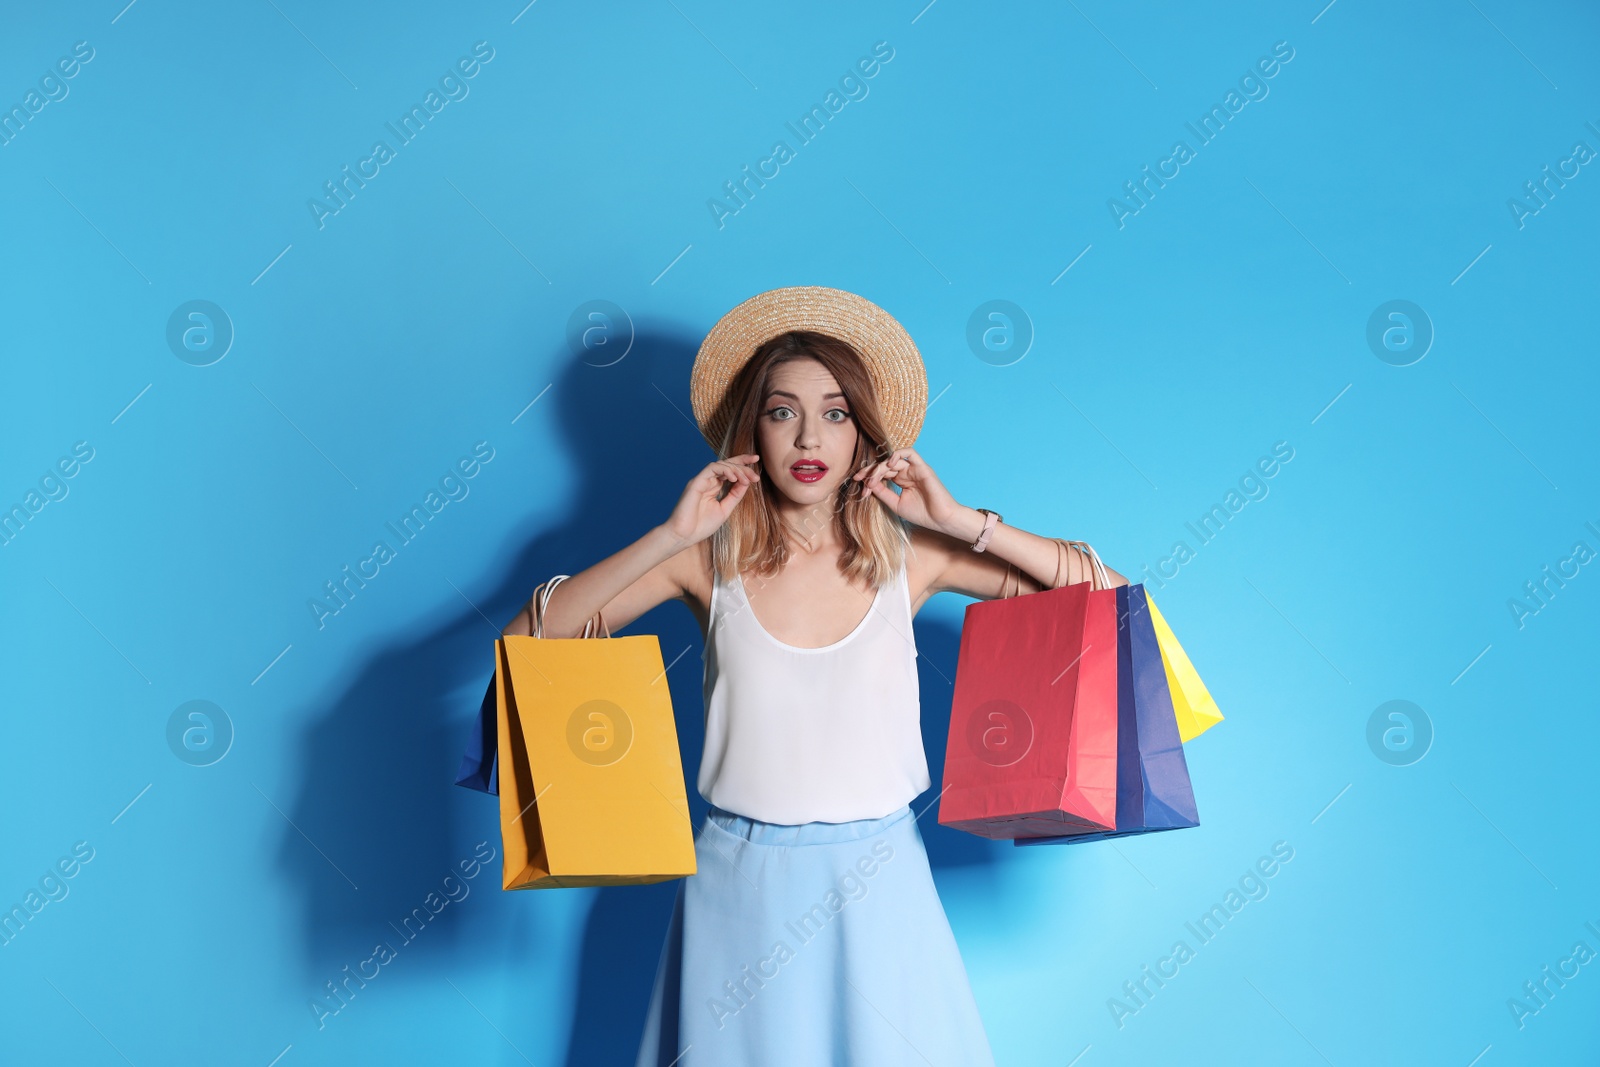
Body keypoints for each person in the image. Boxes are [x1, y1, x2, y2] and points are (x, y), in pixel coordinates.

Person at [501, 286, 1127, 1066]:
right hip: (738, 885)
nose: (808, 435)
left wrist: (964, 521)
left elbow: (1104, 600)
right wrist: (669, 533)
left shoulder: (914, 556)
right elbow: (530, 638)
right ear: (752, 431)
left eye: (835, 412)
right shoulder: (705, 558)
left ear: (864, 434)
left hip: (882, 883)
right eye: (781, 410)